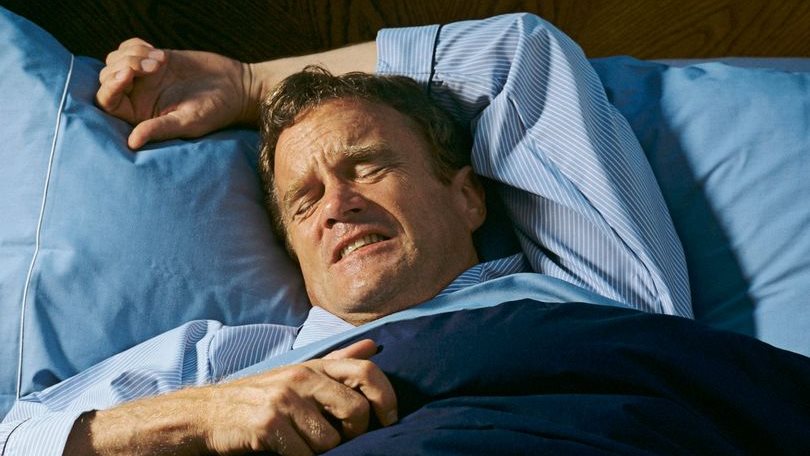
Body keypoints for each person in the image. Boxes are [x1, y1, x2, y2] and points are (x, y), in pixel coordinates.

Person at [0, 13, 692, 455]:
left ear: (467, 196)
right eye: (303, 202)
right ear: (294, 254)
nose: (337, 205)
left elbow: (514, 53)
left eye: (368, 166)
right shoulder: (228, 367)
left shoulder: (596, 293)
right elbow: (17, 436)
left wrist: (253, 84)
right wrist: (203, 416)